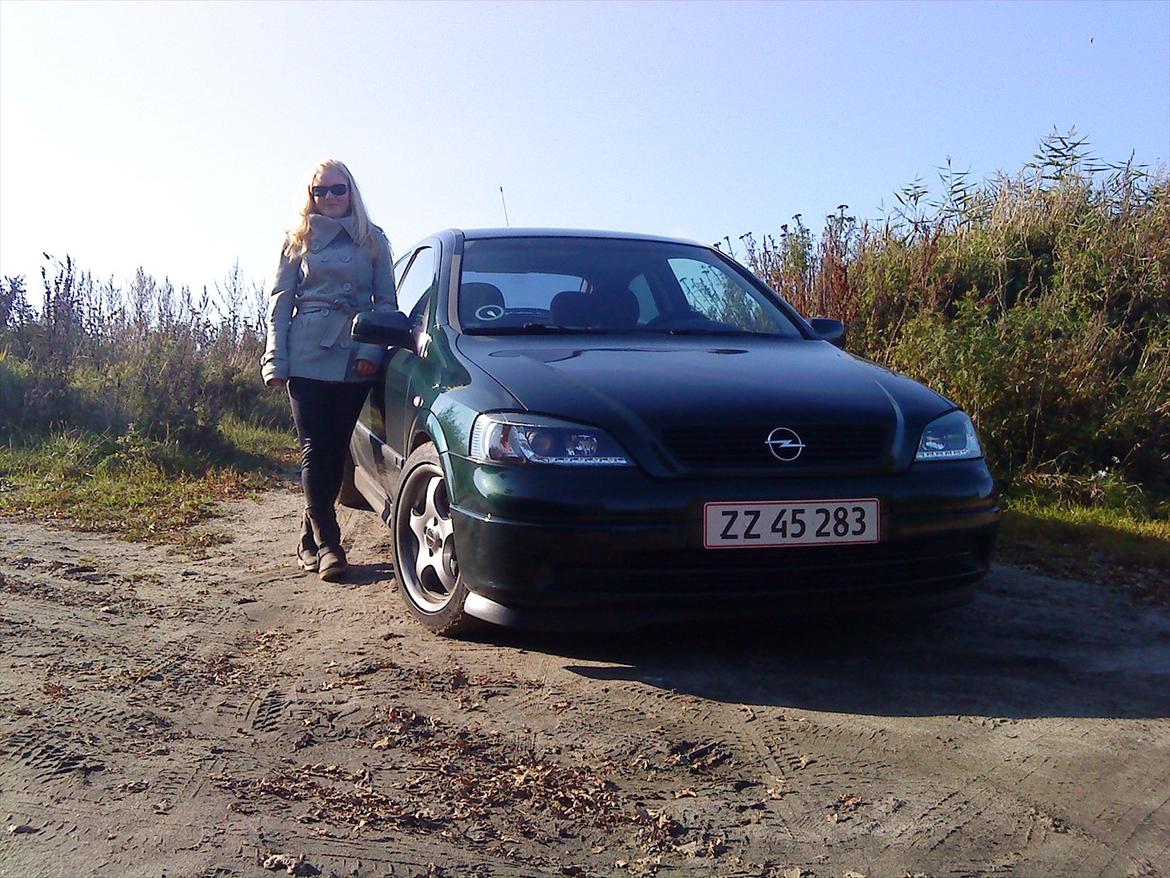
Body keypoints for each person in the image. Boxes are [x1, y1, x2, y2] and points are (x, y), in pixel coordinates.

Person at [261, 159, 397, 581]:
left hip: (354, 352)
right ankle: (329, 544)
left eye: (338, 190)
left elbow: (386, 304)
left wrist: (372, 354)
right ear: (310, 197)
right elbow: (280, 304)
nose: (330, 198)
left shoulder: (373, 240)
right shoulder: (295, 240)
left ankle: (307, 535)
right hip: (306, 353)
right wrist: (275, 359)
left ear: (351, 192)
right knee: (314, 449)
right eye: (320, 191)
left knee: (336, 451)